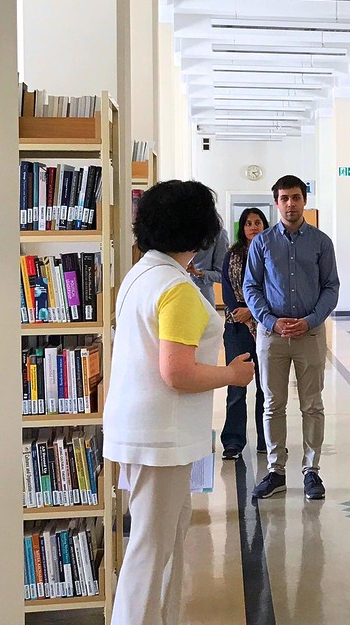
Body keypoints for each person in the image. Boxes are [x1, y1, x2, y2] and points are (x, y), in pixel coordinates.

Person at [104, 180, 255, 625]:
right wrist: (232, 374)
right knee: (150, 549)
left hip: (145, 430)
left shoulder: (141, 274)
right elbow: (178, 371)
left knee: (164, 542)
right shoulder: (176, 289)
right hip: (160, 437)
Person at [244, 175, 339, 501]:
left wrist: (311, 320)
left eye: (296, 197)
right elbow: (251, 287)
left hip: (310, 335)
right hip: (272, 337)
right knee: (273, 405)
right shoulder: (262, 243)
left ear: (304, 200)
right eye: (284, 198)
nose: (290, 204)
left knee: (312, 405)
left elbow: (331, 287)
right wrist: (270, 320)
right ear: (276, 203)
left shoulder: (321, 242)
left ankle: (312, 472)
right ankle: (276, 471)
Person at [220, 207, 270, 460]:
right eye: (248, 223)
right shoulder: (232, 255)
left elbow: (274, 288)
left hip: (265, 325)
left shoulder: (272, 252)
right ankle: (233, 441)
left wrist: (251, 310)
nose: (253, 227)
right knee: (236, 386)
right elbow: (227, 287)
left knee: (266, 387)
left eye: (257, 222)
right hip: (236, 326)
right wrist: (238, 310)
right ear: (243, 227)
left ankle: (266, 439)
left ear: (264, 225)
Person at [187, 225, 228, 306]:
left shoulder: (219, 234)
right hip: (174, 292)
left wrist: (199, 273)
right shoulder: (178, 230)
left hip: (203, 296)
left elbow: (222, 276)